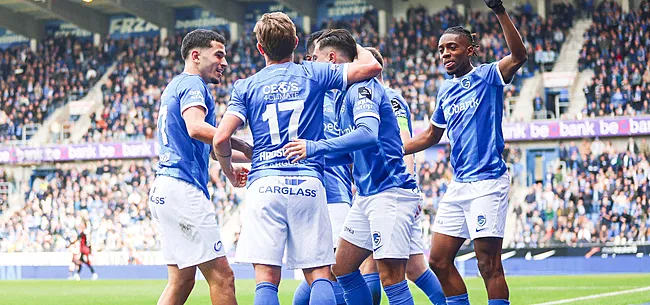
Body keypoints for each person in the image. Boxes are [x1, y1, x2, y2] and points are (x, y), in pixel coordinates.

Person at [212, 13, 381, 305]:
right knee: (319, 273)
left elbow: (220, 138)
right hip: (309, 182)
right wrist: (351, 44)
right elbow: (372, 67)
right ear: (296, 43)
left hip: (264, 184)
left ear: (260, 48)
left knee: (266, 278)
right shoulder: (314, 73)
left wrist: (228, 169)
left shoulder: (246, 86)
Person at [402, 0, 528, 303]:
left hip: (487, 183)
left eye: (452, 48)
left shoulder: (488, 75)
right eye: (442, 49)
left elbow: (519, 56)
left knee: (488, 264)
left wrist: (498, 10)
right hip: (459, 185)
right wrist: (392, 149)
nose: (445, 53)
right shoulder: (445, 90)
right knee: (438, 262)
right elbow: (432, 135)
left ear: (470, 50)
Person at [283, 29, 421, 305]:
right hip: (367, 196)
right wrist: (305, 159)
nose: (310, 65)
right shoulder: (341, 96)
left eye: (316, 58)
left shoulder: (362, 88)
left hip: (389, 192)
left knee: (392, 277)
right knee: (342, 268)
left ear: (332, 59)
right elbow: (351, 154)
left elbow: (367, 134)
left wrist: (315, 147)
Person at [148, 29, 252, 305]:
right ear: (196, 56)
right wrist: (241, 144)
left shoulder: (175, 86)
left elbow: (215, 151)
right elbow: (196, 128)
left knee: (181, 280)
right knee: (223, 278)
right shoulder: (194, 85)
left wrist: (253, 157)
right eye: (218, 54)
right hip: (183, 190)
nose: (225, 62)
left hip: (164, 189)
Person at [359, 47, 447, 305]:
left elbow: (403, 143)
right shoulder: (374, 98)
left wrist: (408, 184)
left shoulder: (388, 98)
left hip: (391, 191)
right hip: (389, 190)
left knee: (369, 265)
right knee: (415, 267)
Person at [292, 29, 351, 305]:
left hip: (333, 194)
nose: (309, 64)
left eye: (313, 58)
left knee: (324, 273)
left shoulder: (340, 97)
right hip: (325, 194)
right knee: (328, 273)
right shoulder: (317, 98)